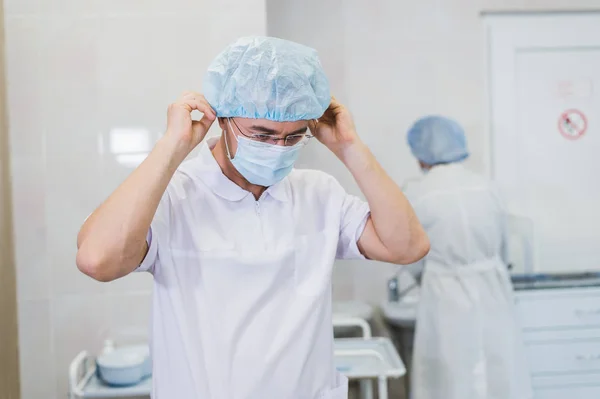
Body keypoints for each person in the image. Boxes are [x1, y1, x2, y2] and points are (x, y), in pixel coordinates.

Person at [76, 36, 429, 399]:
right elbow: (96, 259)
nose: (278, 149)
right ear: (224, 119)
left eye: (293, 138)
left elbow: (408, 246)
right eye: (263, 134)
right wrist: (172, 146)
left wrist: (350, 147)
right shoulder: (175, 196)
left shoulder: (319, 194)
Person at [404, 116, 532, 399]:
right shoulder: (487, 187)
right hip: (492, 288)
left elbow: (410, 255)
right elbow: (502, 245)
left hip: (443, 294)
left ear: (421, 156)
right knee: (499, 368)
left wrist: (426, 275)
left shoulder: (418, 194)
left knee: (449, 377)